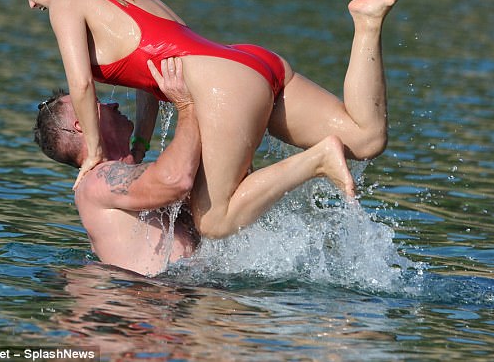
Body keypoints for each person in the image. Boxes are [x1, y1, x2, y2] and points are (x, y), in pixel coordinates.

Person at [11, 0, 410, 238]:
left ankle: (318, 159)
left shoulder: (66, 2)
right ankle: (366, 23)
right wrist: (140, 144)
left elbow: (81, 84)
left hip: (226, 89)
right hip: (250, 62)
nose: (30, 4)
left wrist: (96, 153)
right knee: (367, 138)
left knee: (214, 221)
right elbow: (152, 79)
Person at [37, 57, 357, 275]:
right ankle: (317, 160)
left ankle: (318, 158)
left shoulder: (124, 176)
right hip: (158, 306)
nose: (112, 103)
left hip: (188, 298)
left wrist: (146, 71)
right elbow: (176, 179)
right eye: (97, 103)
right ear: (81, 125)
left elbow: (154, 161)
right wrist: (186, 105)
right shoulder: (97, 182)